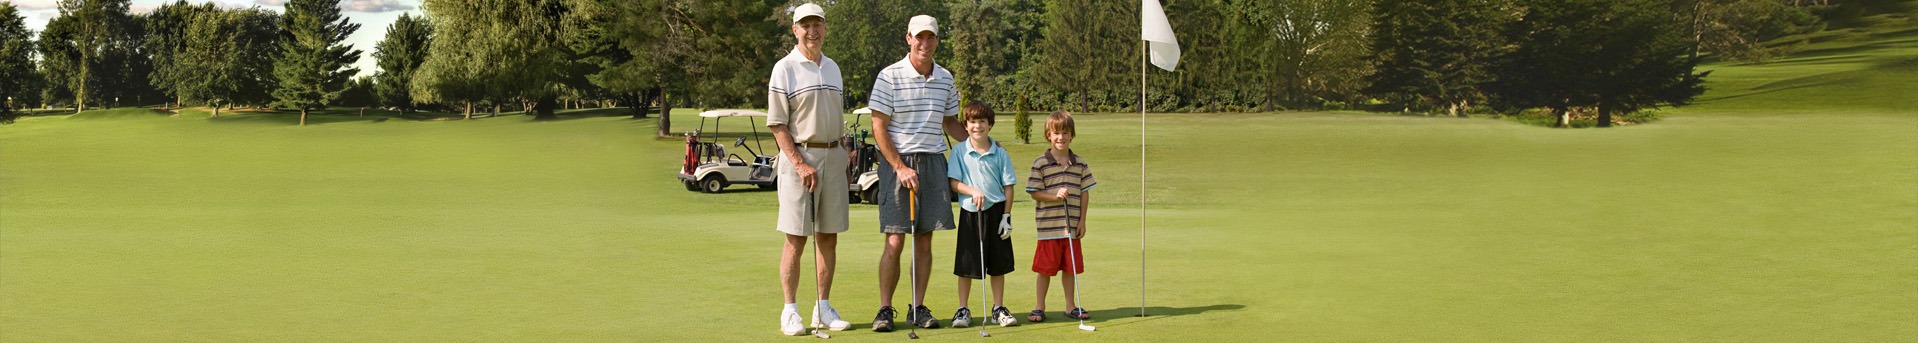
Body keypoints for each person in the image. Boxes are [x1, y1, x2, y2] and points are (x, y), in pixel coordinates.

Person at [867, 14, 967, 332]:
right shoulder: (889, 76)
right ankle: (885, 309)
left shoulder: (945, 78)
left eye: (931, 38)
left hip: (934, 161)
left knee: (924, 241)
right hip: (898, 163)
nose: (925, 43)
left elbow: (950, 123)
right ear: (908, 38)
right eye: (919, 37)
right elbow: (878, 126)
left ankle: (917, 306)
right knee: (895, 240)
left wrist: (982, 144)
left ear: (937, 40)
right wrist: (899, 166)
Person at [767, 3, 850, 336]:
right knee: (796, 240)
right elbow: (777, 124)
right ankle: (790, 311)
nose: (812, 31)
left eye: (817, 25)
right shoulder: (784, 68)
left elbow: (836, 120)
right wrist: (799, 163)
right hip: (800, 159)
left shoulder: (833, 68)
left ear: (825, 28)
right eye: (805, 25)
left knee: (828, 238)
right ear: (795, 30)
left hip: (833, 158)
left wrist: (844, 154)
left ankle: (823, 307)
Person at [945, 101, 1021, 328]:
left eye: (982, 121)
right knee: (967, 264)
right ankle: (963, 309)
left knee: (998, 264)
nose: (977, 126)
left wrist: (1007, 216)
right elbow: (953, 182)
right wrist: (972, 191)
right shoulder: (959, 151)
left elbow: (1008, 186)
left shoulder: (999, 152)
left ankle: (998, 308)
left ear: (990, 124)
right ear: (965, 126)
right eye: (972, 122)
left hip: (996, 212)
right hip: (970, 212)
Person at [1025, 111, 1097, 323]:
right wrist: (1054, 196)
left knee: (1070, 268)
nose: (1061, 137)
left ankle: (1070, 306)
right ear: (1048, 134)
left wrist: (1082, 221)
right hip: (1049, 228)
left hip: (1072, 227)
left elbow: (1085, 192)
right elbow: (1034, 192)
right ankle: (1039, 307)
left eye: (1065, 132)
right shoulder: (1041, 163)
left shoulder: (1080, 163)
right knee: (1045, 270)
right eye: (1056, 133)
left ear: (1071, 135)